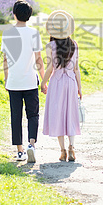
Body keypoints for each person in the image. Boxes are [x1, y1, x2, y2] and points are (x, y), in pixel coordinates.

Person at [1, 0, 44, 163]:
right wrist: (43, 79)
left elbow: (5, 60)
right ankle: (31, 144)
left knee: (16, 116)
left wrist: (6, 79)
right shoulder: (34, 33)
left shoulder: (7, 33)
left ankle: (20, 151)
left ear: (14, 14)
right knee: (33, 114)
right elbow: (38, 58)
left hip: (14, 82)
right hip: (30, 81)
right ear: (29, 16)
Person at [41, 10, 82, 162]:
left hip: (57, 83)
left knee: (58, 116)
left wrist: (43, 83)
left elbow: (50, 68)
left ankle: (63, 151)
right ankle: (72, 147)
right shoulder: (74, 44)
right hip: (71, 82)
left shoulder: (50, 45)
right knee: (70, 114)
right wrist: (79, 88)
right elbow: (76, 69)